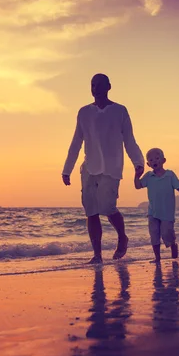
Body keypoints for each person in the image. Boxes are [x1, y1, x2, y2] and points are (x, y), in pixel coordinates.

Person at [62, 73, 145, 264]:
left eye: (99, 85)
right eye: (92, 85)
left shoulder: (120, 111)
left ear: (109, 86)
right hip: (89, 168)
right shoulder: (84, 112)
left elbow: (129, 140)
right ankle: (97, 255)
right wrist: (67, 169)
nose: (95, 88)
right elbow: (76, 141)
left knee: (108, 208)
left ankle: (122, 237)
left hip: (112, 167)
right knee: (91, 211)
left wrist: (138, 162)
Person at [135, 148, 179, 263]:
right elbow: (138, 186)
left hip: (167, 212)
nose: (154, 161)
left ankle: (173, 245)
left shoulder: (170, 175)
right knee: (154, 235)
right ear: (148, 164)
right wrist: (137, 176)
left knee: (166, 234)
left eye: (157, 158)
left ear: (163, 160)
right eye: (151, 160)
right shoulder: (148, 176)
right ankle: (157, 258)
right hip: (152, 212)